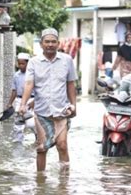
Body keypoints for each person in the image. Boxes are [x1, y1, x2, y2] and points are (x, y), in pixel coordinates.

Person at [19, 28, 77, 172]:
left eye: (53, 42)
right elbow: (29, 84)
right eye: (47, 42)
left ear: (58, 44)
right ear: (41, 44)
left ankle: (64, 181)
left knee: (62, 145)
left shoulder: (67, 60)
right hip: (42, 112)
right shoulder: (33, 62)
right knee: (41, 148)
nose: (50, 44)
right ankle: (40, 181)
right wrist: (23, 104)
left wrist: (74, 105)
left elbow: (70, 84)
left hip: (62, 111)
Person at [5, 52, 35, 143]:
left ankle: (39, 137)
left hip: (31, 100)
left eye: (23, 64)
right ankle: (18, 142)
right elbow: (14, 91)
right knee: (18, 124)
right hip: (19, 100)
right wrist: (10, 103)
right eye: (19, 63)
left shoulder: (33, 75)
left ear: (28, 63)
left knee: (31, 123)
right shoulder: (16, 75)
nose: (20, 66)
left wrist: (35, 101)